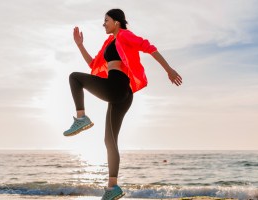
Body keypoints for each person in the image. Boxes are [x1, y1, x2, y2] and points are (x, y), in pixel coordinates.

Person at [63, 8, 182, 200]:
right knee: (109, 141)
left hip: (117, 87)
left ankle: (81, 118)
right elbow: (94, 65)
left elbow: (149, 47)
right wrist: (79, 45)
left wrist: (169, 69)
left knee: (74, 78)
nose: (104, 24)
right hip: (121, 94)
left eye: (106, 20)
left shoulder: (125, 35)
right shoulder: (109, 42)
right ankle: (113, 188)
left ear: (117, 22)